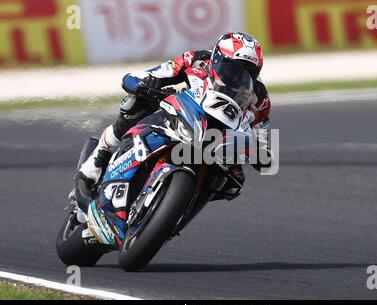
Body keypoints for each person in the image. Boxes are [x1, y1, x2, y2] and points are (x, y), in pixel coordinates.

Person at [78, 32, 271, 192]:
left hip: (218, 140)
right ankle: (100, 157)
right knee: (134, 103)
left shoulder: (259, 97)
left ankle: (180, 210)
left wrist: (261, 153)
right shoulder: (196, 59)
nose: (237, 76)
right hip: (184, 113)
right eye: (231, 67)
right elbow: (149, 74)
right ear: (216, 58)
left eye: (248, 72)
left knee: (231, 184)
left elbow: (263, 137)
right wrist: (143, 83)